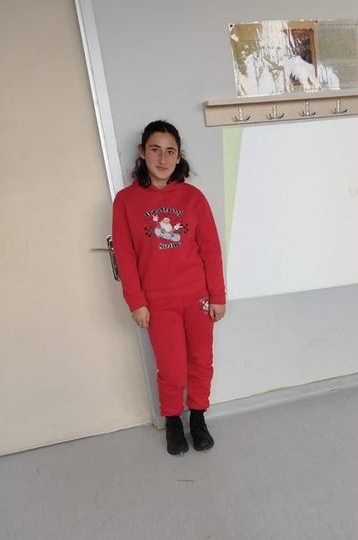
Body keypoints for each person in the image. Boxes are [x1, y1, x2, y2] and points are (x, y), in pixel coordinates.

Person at [112, 120, 226, 456]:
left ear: (178, 157)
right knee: (172, 369)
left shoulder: (193, 198)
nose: (163, 159)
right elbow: (125, 255)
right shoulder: (125, 201)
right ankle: (173, 420)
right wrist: (136, 301)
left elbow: (211, 250)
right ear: (142, 153)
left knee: (201, 361)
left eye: (170, 152)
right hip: (157, 302)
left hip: (198, 298)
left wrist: (218, 296)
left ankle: (198, 417)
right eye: (155, 150)